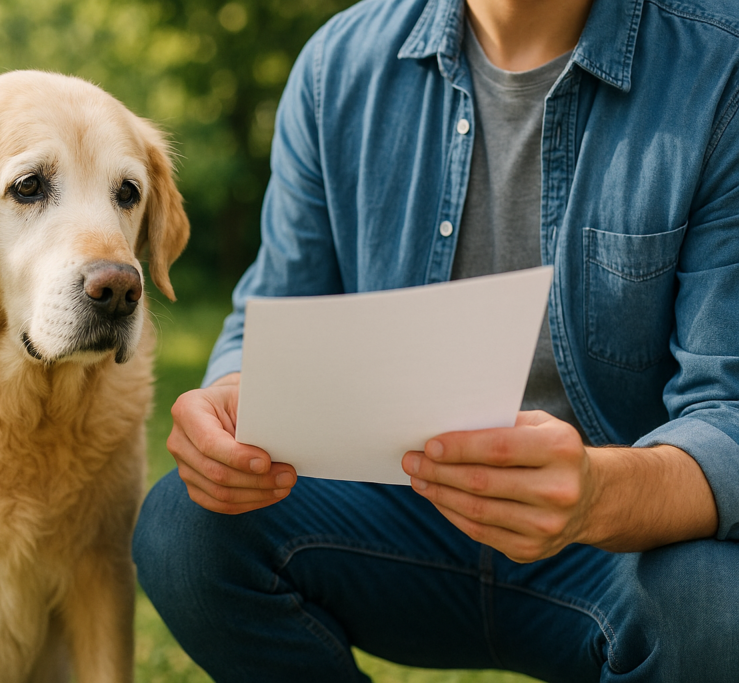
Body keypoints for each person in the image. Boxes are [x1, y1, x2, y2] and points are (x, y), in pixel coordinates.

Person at [133, 0, 739, 680]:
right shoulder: (339, 66)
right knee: (185, 527)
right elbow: (272, 316)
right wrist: (233, 399)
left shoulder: (720, 66)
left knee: (718, 607)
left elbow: (730, 415)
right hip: (392, 511)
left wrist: (595, 494)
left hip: (617, 538)